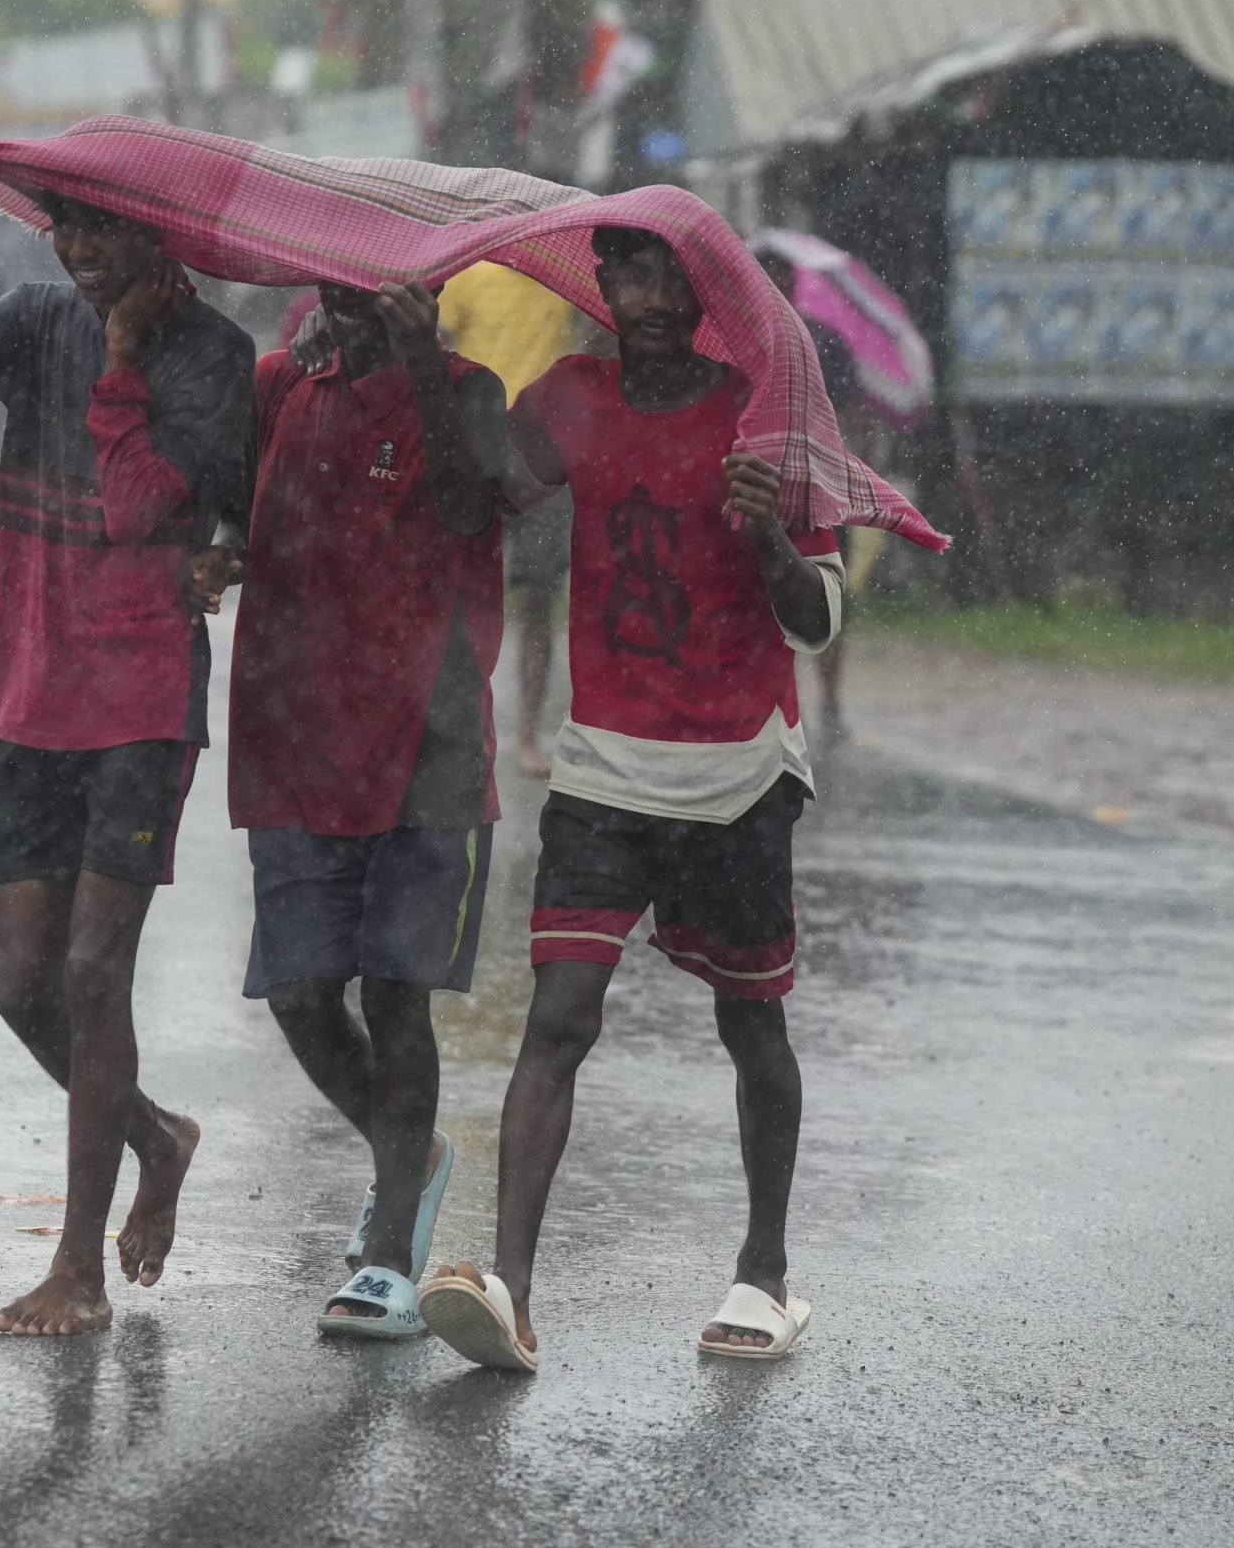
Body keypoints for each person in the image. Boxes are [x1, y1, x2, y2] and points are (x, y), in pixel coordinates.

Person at [417, 226, 846, 1373]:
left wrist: (763, 535)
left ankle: (765, 1274)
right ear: (599, 286)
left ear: (707, 295)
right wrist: (423, 360)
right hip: (605, 767)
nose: (652, 298)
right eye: (631, 276)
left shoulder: (769, 414)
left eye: (673, 279)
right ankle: (509, 1288)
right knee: (558, 1020)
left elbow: (818, 619)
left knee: (750, 1022)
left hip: (739, 771)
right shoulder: (572, 395)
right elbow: (475, 497)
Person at [0, 164, 253, 1338]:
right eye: (68, 223)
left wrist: (128, 361)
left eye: (107, 223)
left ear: (156, 231)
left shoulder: (211, 355)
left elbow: (142, 507)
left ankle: (78, 1265)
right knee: (19, 983)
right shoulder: (35, 318)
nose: (82, 244)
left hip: (139, 697)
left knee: (94, 975)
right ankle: (155, 1137)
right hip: (34, 694)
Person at [182, 279, 505, 1340]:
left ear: (432, 287)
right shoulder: (278, 386)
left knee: (395, 995)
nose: (363, 299)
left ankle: (386, 1254)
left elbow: (470, 510)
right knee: (300, 992)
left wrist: (417, 371)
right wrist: (221, 550)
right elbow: (236, 500)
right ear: (314, 280)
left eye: (392, 282)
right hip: (294, 728)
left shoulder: (469, 389)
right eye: (343, 278)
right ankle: (404, 1156)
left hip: (430, 740)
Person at [435, 261, 588, 779]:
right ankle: (456, 727)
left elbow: (591, 338)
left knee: (539, 601)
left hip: (547, 452)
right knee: (458, 593)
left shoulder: (562, 283)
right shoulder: (469, 278)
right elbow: (442, 340)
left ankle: (526, 732)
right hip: (478, 445)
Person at [755, 247, 885, 744]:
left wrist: (849, 475)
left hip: (819, 493)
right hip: (757, 490)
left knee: (829, 596)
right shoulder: (735, 340)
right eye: (766, 279)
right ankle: (773, 700)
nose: (776, 290)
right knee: (762, 598)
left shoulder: (825, 342)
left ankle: (829, 702)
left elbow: (858, 416)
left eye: (782, 279)